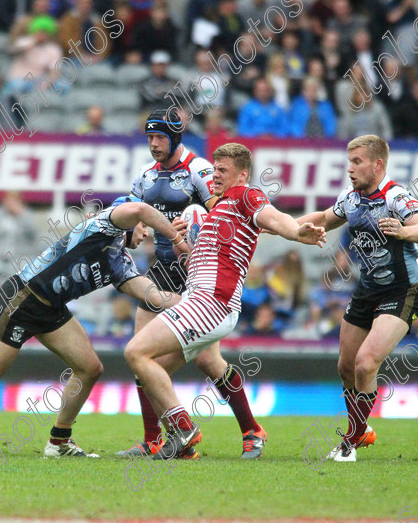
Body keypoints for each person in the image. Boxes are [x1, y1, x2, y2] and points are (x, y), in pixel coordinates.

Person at [0, 197, 191, 457]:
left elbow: (153, 296)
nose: (146, 232)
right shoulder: (104, 224)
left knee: (90, 367)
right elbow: (139, 210)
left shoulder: (120, 262)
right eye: (143, 228)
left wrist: (199, 300)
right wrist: (178, 240)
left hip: (51, 308)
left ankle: (59, 441)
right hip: (23, 298)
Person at [124, 142, 326, 459]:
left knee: (136, 352)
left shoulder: (247, 195)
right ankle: (244, 432)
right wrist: (184, 241)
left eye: (222, 170)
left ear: (242, 174)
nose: (214, 175)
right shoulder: (217, 210)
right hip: (200, 299)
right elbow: (197, 264)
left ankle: (182, 429)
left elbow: (274, 219)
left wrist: (298, 232)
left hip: (212, 303)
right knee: (162, 368)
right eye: (214, 169)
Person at [296, 134, 418, 462]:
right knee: (346, 366)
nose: (350, 169)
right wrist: (280, 226)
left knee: (366, 362)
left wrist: (404, 231)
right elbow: (322, 218)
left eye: (357, 162)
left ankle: (350, 441)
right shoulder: (351, 198)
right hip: (367, 289)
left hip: (403, 290)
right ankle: (361, 429)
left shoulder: (396, 197)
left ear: (377, 165)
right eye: (349, 162)